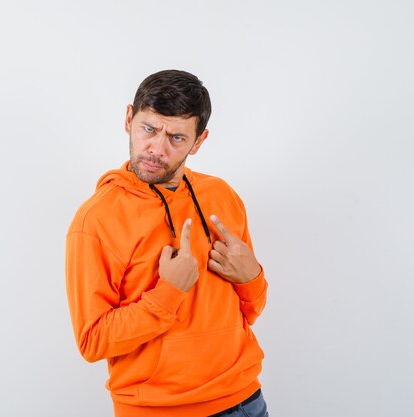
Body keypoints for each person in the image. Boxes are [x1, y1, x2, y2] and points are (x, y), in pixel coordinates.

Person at [65, 70, 269, 417]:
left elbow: (250, 309)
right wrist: (169, 293)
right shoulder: (96, 220)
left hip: (244, 400)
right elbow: (92, 341)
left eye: (176, 137)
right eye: (149, 129)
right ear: (129, 119)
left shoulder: (221, 196)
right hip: (158, 410)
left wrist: (252, 276)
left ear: (199, 141)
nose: (156, 149)